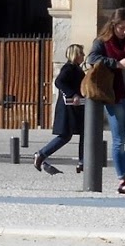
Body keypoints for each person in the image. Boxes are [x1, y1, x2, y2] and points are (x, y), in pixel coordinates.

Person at [88, 8, 125, 194]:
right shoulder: (102, 42)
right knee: (118, 139)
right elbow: (92, 59)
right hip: (115, 96)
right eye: (121, 27)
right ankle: (124, 179)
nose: (124, 31)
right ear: (113, 25)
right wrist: (117, 64)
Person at [33, 44, 86, 175]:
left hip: (76, 107)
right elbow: (59, 82)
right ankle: (41, 154)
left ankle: (83, 162)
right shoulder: (69, 68)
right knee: (66, 135)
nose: (83, 56)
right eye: (81, 53)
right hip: (69, 108)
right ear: (75, 55)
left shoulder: (77, 69)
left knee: (84, 134)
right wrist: (72, 94)